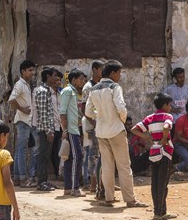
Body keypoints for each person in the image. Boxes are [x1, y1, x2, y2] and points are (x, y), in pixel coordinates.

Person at [85, 60, 146, 208]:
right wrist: (121, 120)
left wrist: (100, 116)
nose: (120, 75)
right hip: (116, 130)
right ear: (112, 73)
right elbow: (121, 108)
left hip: (101, 131)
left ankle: (108, 198)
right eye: (119, 72)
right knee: (124, 166)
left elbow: (87, 112)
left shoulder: (93, 89)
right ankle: (130, 199)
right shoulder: (115, 87)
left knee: (107, 166)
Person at [132, 93, 176, 220]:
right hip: (164, 152)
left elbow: (135, 129)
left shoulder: (149, 118)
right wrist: (163, 138)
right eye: (169, 104)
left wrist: (146, 137)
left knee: (155, 183)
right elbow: (167, 126)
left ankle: (160, 211)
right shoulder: (167, 116)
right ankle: (159, 212)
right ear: (165, 105)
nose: (170, 107)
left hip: (153, 152)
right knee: (163, 183)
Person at [8, 59, 37, 188]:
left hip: (26, 121)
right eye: (30, 70)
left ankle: (18, 178)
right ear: (23, 71)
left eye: (33, 70)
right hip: (22, 121)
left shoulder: (26, 84)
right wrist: (23, 109)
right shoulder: (20, 84)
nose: (32, 73)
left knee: (21, 150)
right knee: (22, 151)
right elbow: (11, 100)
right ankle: (22, 178)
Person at [60, 68, 87, 197]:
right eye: (80, 79)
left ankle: (68, 187)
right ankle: (74, 187)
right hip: (71, 130)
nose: (82, 81)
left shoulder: (73, 92)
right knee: (77, 157)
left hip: (74, 129)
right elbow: (63, 112)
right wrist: (65, 130)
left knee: (71, 158)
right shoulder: (68, 91)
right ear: (74, 79)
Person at [34, 68, 59, 191]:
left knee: (46, 155)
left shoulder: (46, 91)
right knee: (43, 156)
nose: (56, 79)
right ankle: (41, 182)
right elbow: (43, 113)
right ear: (48, 76)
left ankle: (44, 181)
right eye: (54, 76)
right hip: (45, 130)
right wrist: (48, 131)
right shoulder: (43, 91)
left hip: (47, 129)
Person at [82, 60, 104, 194]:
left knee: (100, 154)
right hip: (92, 124)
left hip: (99, 123)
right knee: (92, 154)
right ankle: (92, 184)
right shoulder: (88, 87)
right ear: (95, 70)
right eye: (101, 69)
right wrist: (94, 122)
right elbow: (84, 108)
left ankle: (101, 183)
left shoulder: (100, 85)